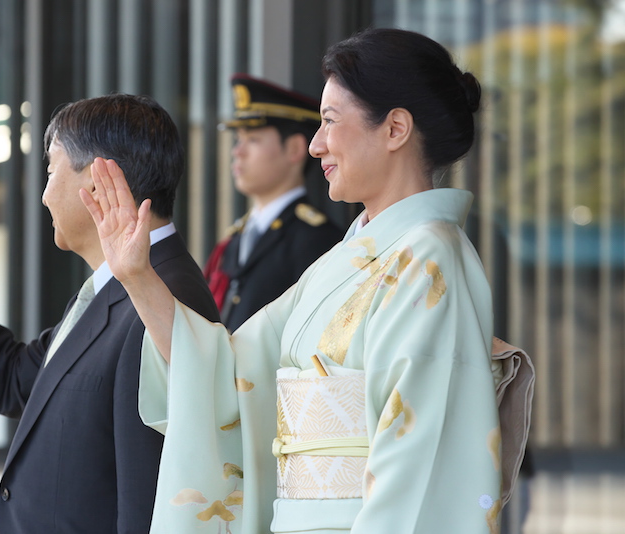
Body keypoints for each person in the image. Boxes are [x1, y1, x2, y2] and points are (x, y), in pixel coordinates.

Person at [81, 28, 532, 534]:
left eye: (329, 121)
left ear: (395, 129)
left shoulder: (429, 260)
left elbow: (418, 471)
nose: (316, 144)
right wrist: (137, 277)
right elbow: (229, 373)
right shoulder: (347, 260)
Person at [0, 94, 220, 533]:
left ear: (101, 181)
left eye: (51, 169)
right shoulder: (115, 288)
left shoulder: (160, 300)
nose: (44, 197)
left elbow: (150, 499)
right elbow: (15, 380)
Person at [203, 74, 343, 330]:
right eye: (238, 140)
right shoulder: (237, 237)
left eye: (253, 140)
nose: (238, 151)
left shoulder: (316, 240)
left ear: (294, 149)